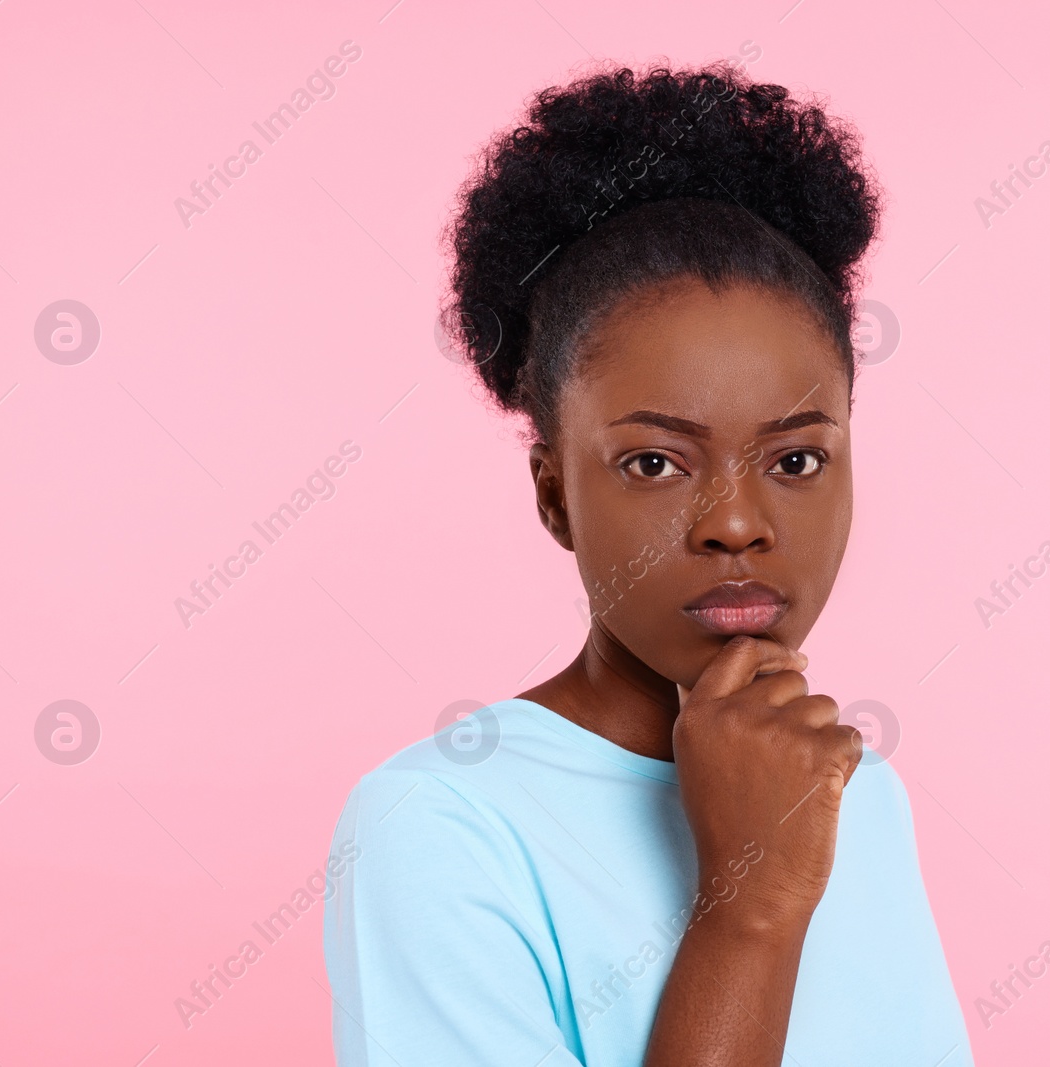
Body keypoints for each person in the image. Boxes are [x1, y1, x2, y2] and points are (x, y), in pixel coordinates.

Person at [323, 59, 974, 1066]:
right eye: (655, 461)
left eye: (795, 458)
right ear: (554, 495)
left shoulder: (855, 786)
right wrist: (750, 902)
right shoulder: (442, 822)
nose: (736, 525)